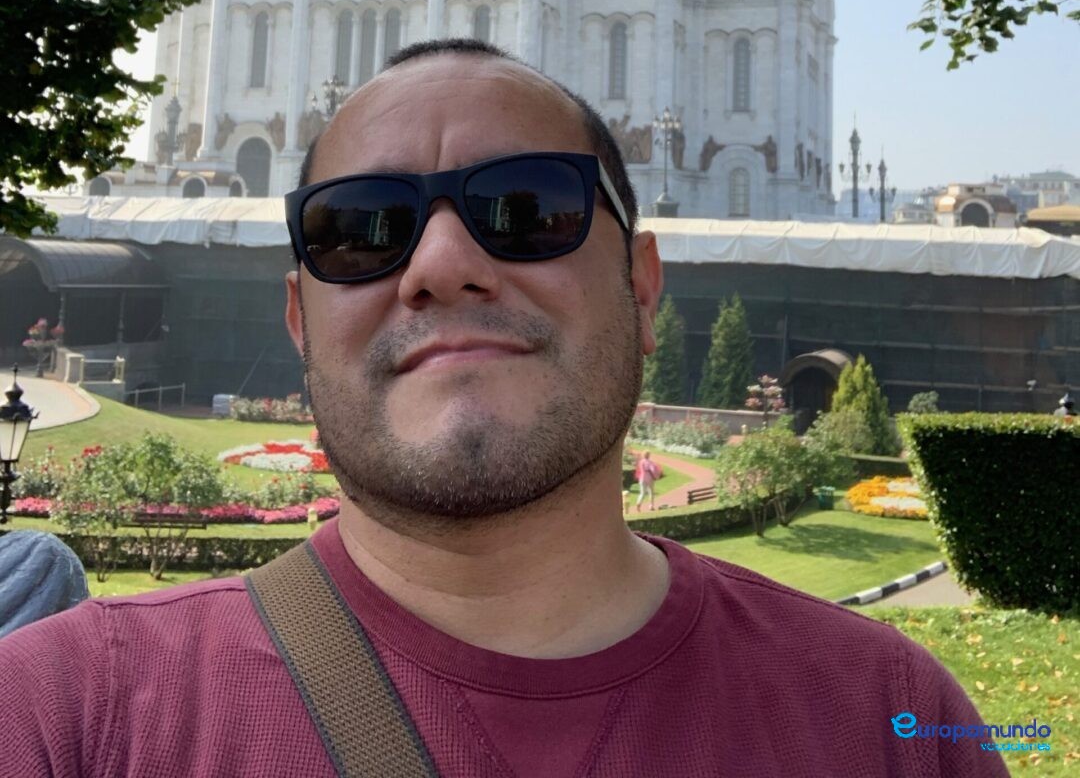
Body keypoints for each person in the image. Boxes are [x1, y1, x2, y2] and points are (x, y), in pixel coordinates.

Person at [0, 39, 1007, 776]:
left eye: (528, 207)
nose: (441, 266)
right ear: (302, 320)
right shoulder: (66, 718)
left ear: (644, 287)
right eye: (361, 228)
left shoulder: (889, 724)